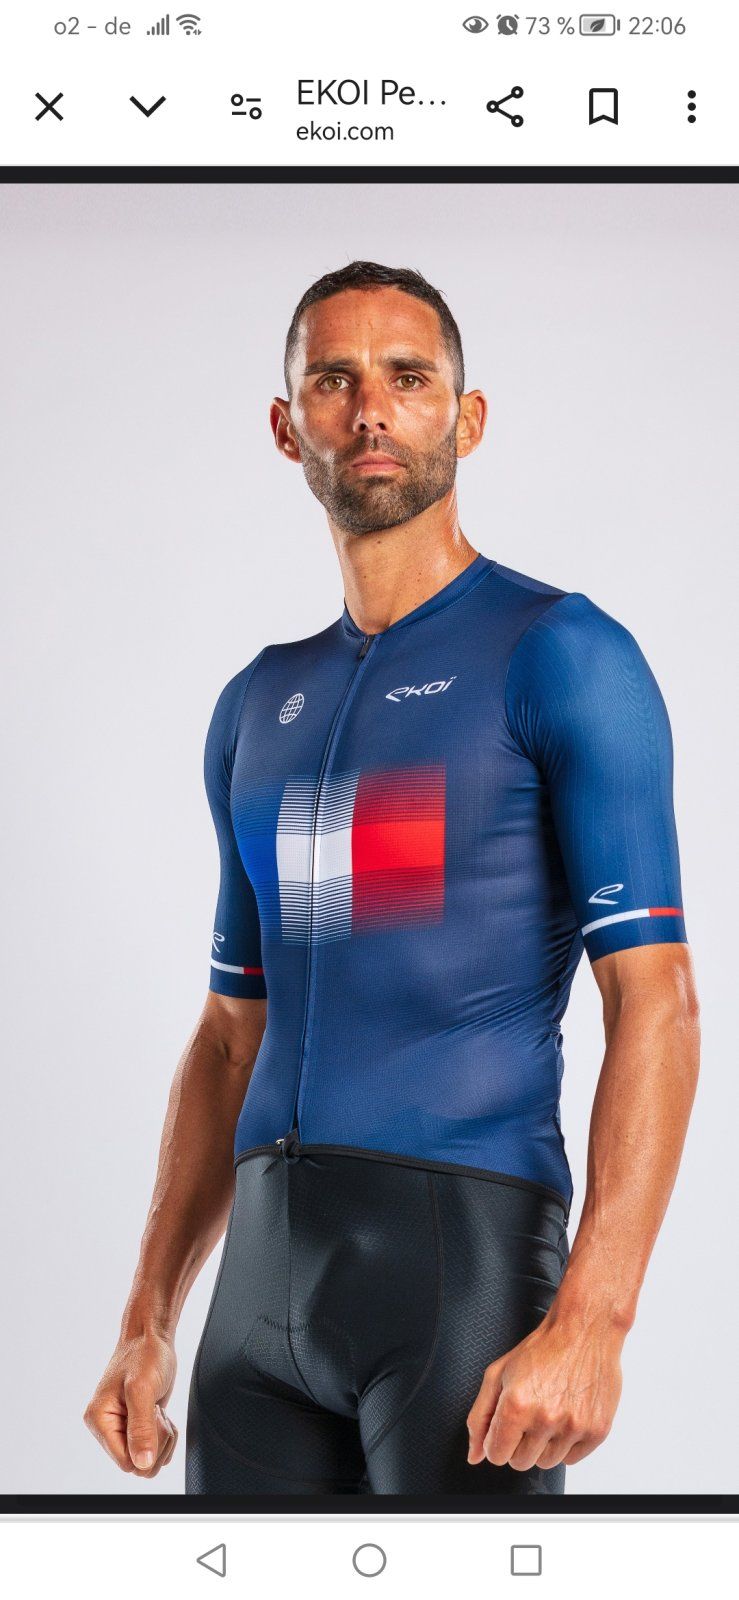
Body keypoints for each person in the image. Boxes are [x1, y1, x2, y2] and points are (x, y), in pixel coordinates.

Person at [84, 260, 700, 1496]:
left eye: (408, 378)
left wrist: (595, 1317)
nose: (371, 409)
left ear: (465, 418)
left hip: (459, 1272)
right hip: (261, 1292)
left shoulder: (559, 653)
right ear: (287, 427)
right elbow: (228, 1038)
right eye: (334, 379)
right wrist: (148, 1315)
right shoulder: (258, 701)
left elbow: (656, 1001)